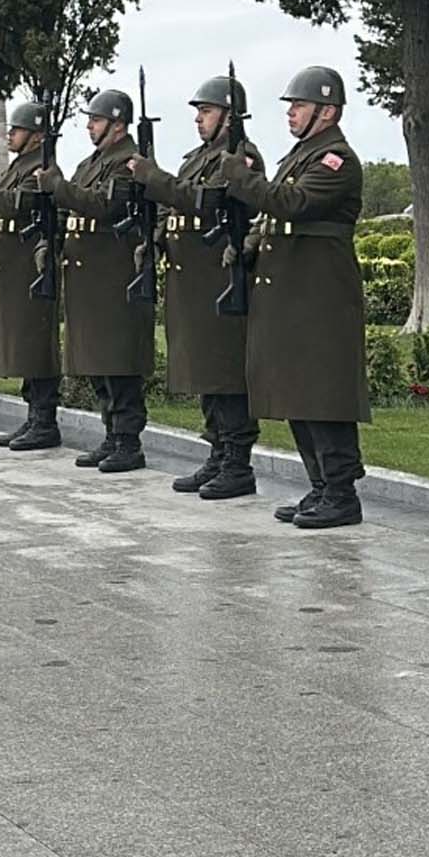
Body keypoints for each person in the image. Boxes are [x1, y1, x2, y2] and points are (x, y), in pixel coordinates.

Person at [214, 67, 371, 529]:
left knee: (323, 396)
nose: (290, 113)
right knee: (299, 396)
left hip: (319, 300)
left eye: (298, 106)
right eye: (289, 106)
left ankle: (341, 494)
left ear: (327, 111)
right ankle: (321, 486)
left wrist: (240, 179)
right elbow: (277, 219)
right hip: (292, 298)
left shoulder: (336, 160)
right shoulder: (302, 155)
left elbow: (292, 204)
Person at [126, 75, 268, 499]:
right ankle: (218, 452)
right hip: (193, 278)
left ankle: (237, 463)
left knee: (225, 371)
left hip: (219, 276)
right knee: (207, 371)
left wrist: (154, 176)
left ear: (229, 116)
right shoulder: (198, 157)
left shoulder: (241, 156)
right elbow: (178, 204)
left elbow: (204, 200)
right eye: (198, 113)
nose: (198, 120)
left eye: (205, 112)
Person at [43, 87, 161, 472]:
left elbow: (106, 206)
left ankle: (128, 441)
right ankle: (111, 435)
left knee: (118, 363)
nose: (89, 126)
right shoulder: (91, 163)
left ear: (118, 124)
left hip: (113, 277)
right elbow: (72, 210)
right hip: (88, 279)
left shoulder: (128, 162)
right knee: (97, 362)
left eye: (96, 120)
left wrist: (59, 188)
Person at [0, 99, 65, 452]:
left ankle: (44, 420)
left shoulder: (41, 169)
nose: (10, 134)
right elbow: (0, 213)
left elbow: (12, 205)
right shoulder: (19, 166)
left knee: (34, 344)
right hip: (10, 269)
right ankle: (34, 417)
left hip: (29, 268)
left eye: (17, 130)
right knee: (22, 344)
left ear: (37, 137)